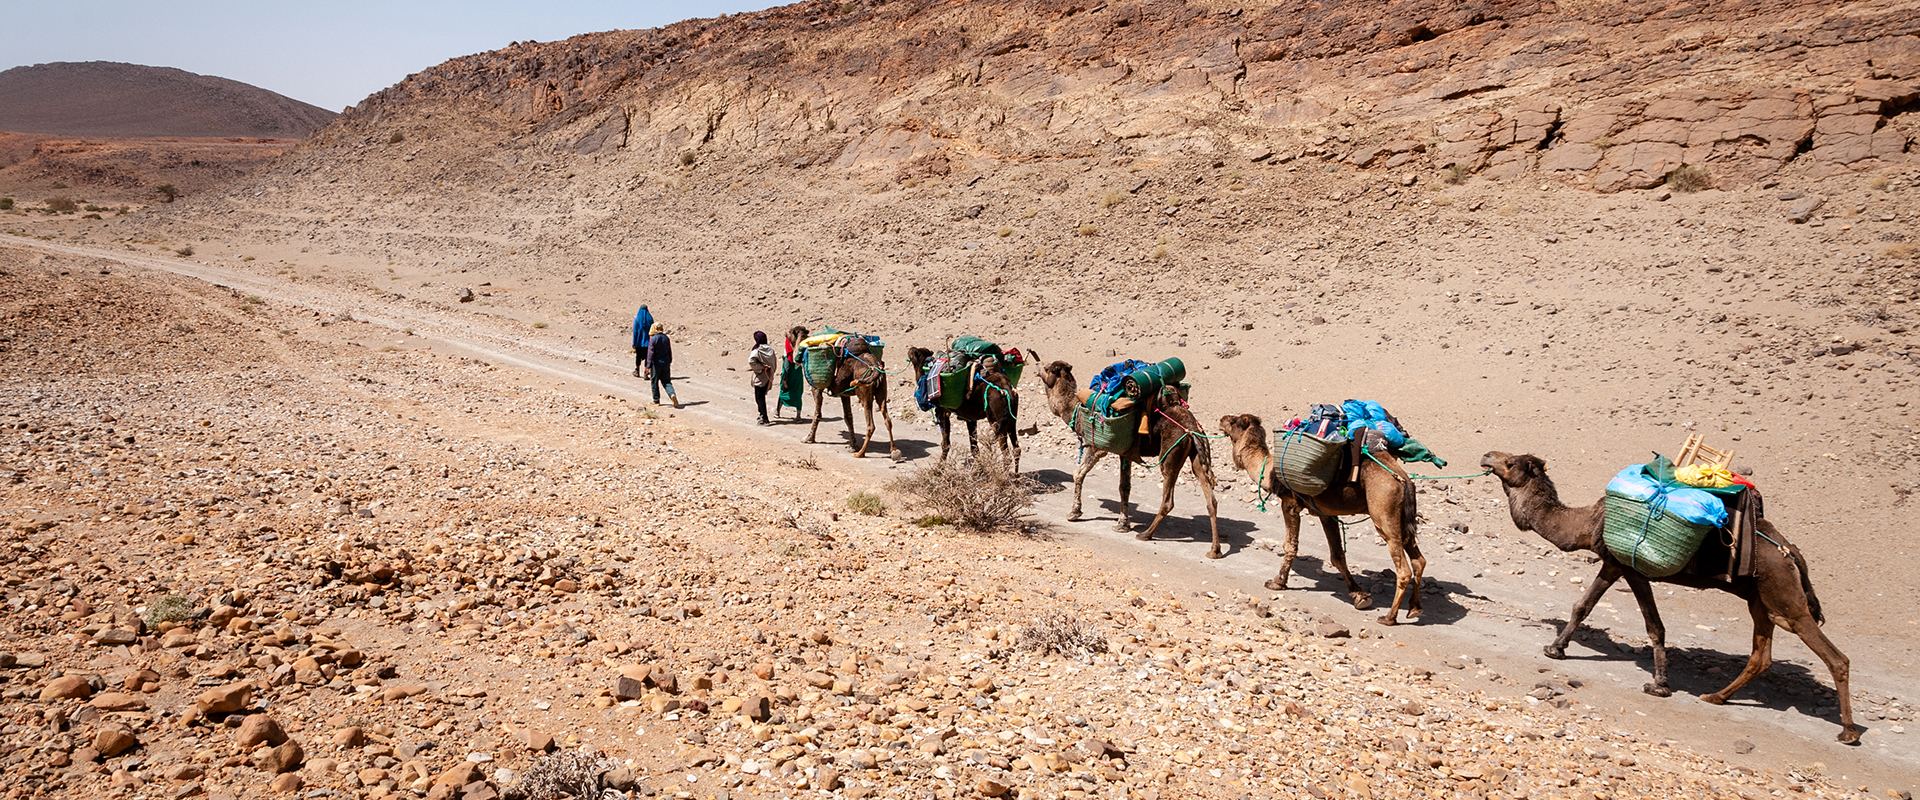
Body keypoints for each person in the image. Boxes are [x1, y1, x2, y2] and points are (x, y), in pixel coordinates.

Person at [748, 331, 777, 425]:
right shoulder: (770, 350)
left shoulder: (757, 350)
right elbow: (774, 363)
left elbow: (751, 361)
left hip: (760, 376)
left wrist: (760, 368)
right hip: (768, 376)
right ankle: (761, 414)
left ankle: (764, 418)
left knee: (759, 398)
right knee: (762, 396)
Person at [647, 323, 678, 408]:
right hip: (666, 363)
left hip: (656, 364)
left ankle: (656, 400)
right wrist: (670, 360)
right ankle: (672, 394)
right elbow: (669, 350)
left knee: (654, 381)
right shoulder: (666, 338)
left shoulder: (653, 339)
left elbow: (650, 353)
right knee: (667, 381)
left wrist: (648, 365)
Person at [631, 305, 654, 378]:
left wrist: (634, 342)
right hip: (648, 342)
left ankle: (637, 370)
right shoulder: (650, 319)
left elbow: (635, 332)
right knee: (647, 357)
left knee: (638, 356)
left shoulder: (637, 319)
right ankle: (645, 372)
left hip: (639, 342)